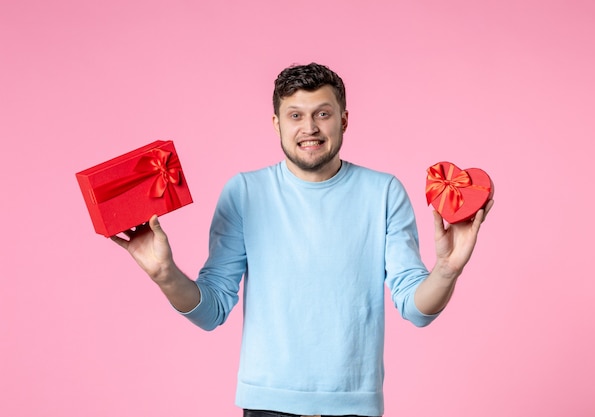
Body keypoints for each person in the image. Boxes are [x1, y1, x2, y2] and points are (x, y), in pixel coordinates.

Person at [112, 63, 494, 417]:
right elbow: (212, 310)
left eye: (322, 114)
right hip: (266, 404)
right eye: (296, 115)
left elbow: (414, 309)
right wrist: (164, 274)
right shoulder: (244, 192)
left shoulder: (384, 192)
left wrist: (446, 269)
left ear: (343, 119)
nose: (309, 127)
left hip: (354, 406)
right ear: (276, 123)